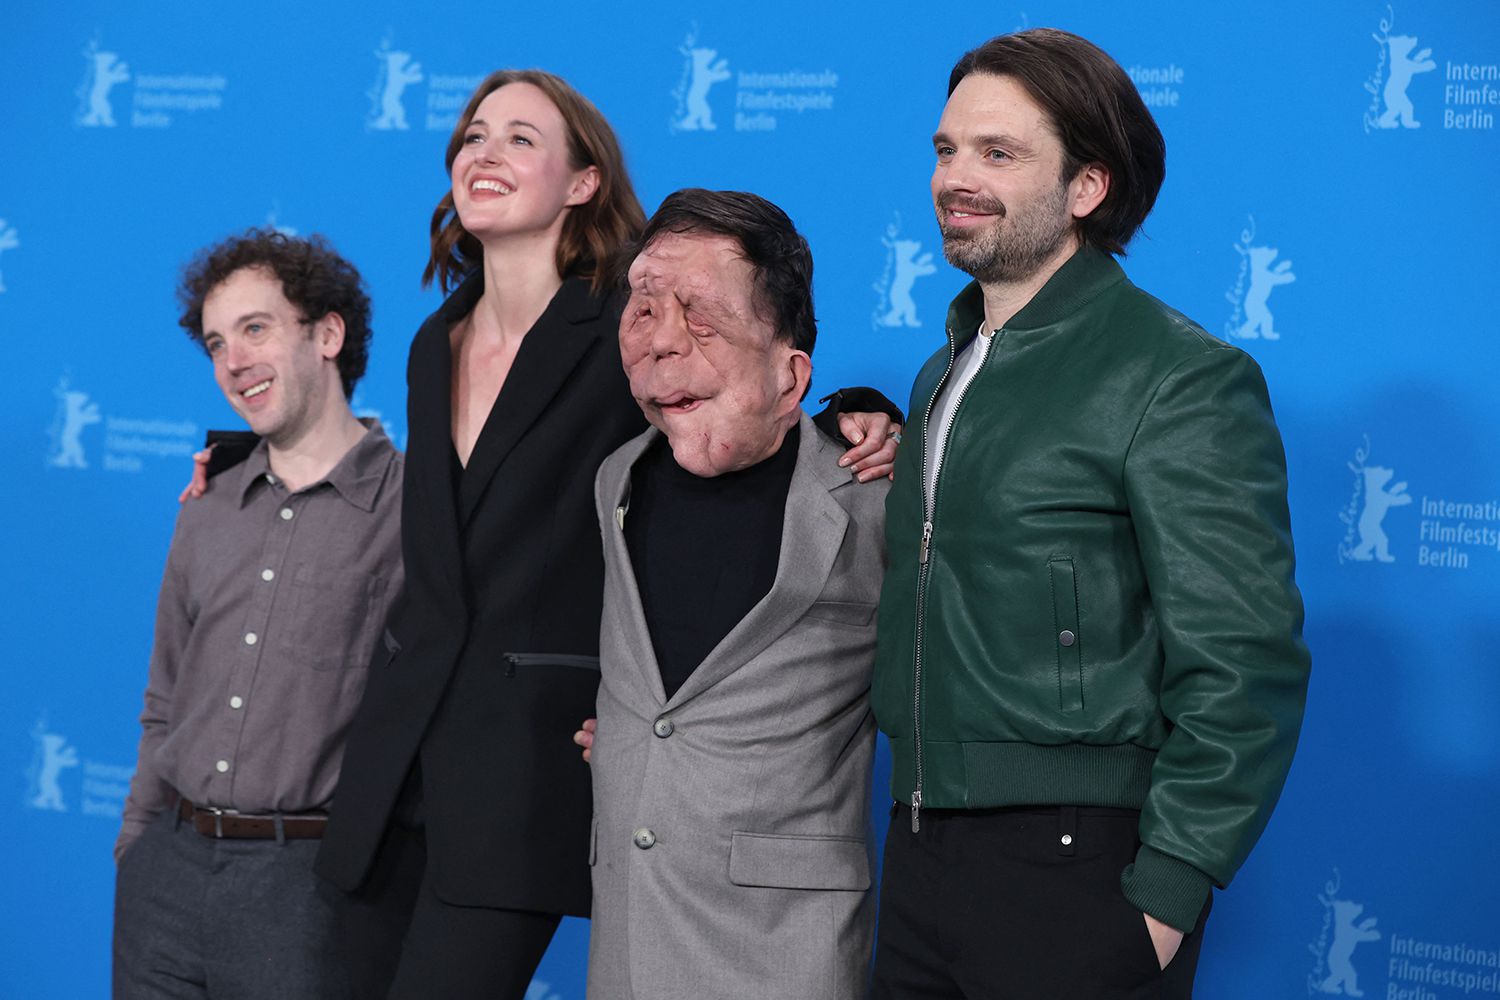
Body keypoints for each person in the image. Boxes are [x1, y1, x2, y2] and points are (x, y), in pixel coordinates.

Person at [311, 71, 900, 1000]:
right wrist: (239, 460)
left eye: (519, 137)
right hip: (398, 758)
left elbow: (745, 394)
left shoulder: (621, 328)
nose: (484, 153)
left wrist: (868, 414)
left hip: (527, 773)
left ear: (584, 181)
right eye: (472, 135)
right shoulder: (435, 340)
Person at [868, 29, 1312, 999]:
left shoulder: (1178, 376)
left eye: (999, 153)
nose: (956, 177)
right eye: (947, 150)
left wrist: (1165, 894)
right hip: (916, 855)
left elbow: (1246, 662)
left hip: (1076, 871)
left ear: (1088, 187)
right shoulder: (945, 370)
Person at [580, 190, 889, 999]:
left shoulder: (878, 495)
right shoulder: (616, 479)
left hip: (785, 945)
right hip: (628, 934)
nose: (663, 344)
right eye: (643, 311)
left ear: (792, 377)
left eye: (702, 317)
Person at [114, 229, 401, 999]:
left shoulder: (413, 511)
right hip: (163, 875)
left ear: (328, 334)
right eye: (215, 342)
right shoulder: (206, 508)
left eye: (255, 328)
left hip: (307, 890)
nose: (232, 361)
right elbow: (163, 700)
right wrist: (137, 850)